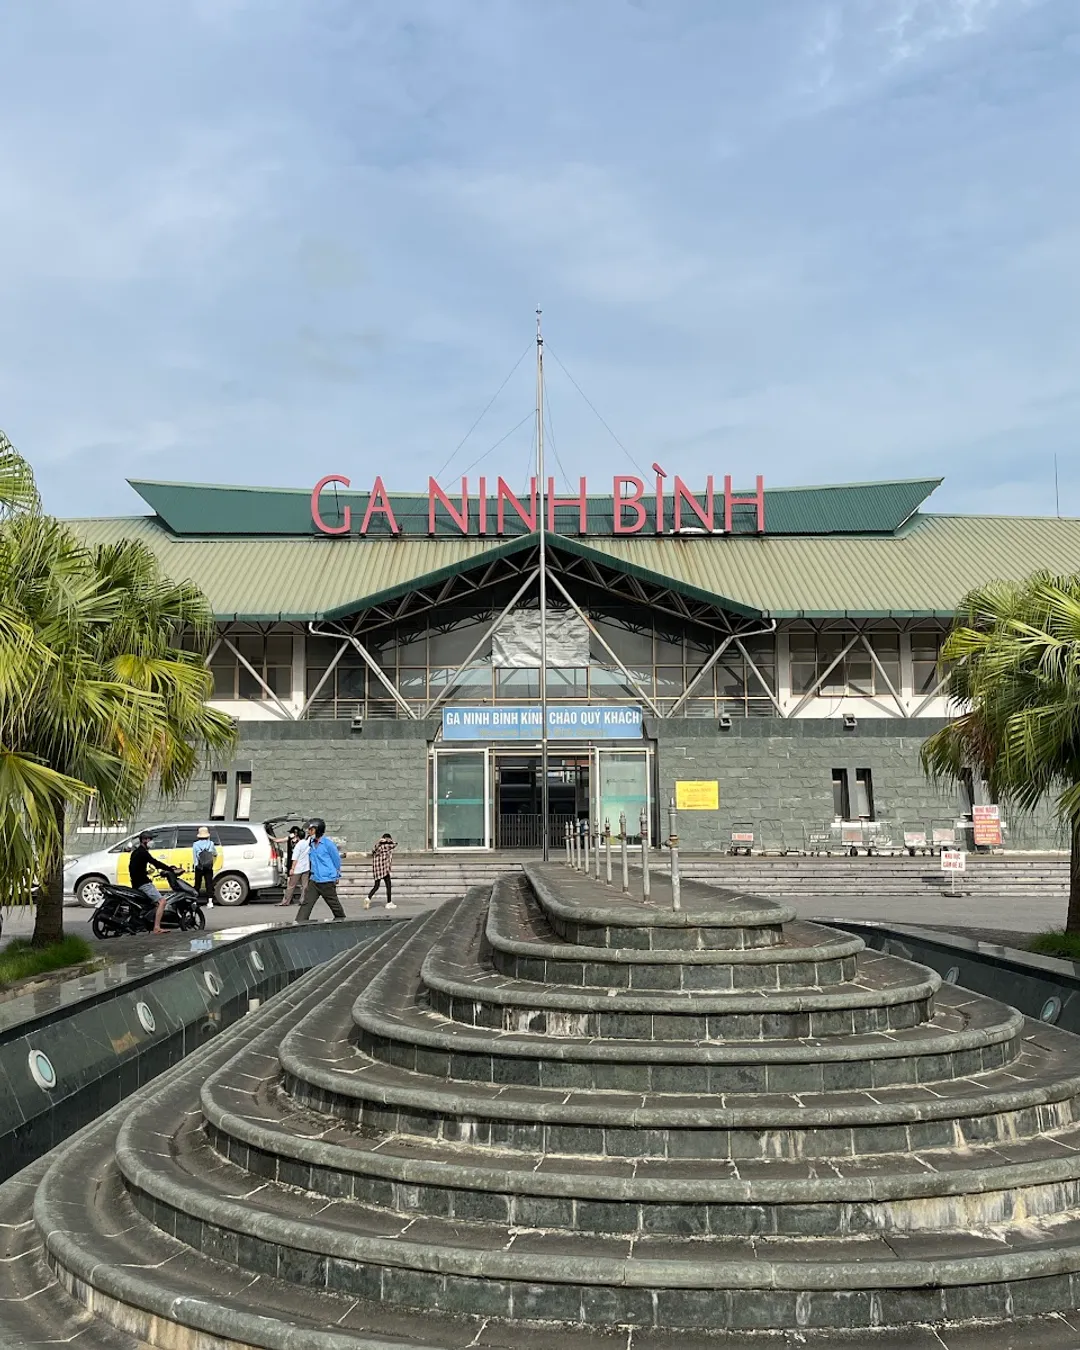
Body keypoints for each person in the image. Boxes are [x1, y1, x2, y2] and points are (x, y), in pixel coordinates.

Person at [294, 818, 346, 923]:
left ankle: (342, 922)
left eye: (311, 830)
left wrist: (337, 875)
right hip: (314, 880)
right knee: (306, 903)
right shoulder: (311, 843)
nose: (309, 832)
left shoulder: (328, 844)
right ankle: (299, 923)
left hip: (327, 880)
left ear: (318, 830)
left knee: (334, 905)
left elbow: (336, 860)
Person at [129, 830, 172, 935]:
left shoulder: (136, 852)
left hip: (136, 883)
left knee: (151, 903)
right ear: (144, 840)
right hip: (143, 884)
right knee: (162, 901)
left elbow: (134, 868)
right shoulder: (143, 853)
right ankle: (157, 927)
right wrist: (170, 869)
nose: (152, 842)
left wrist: (146, 873)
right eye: (150, 839)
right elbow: (155, 863)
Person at [278, 825, 309, 907]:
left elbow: (295, 859)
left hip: (297, 869)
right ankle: (303, 900)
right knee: (305, 886)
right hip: (306, 868)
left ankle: (286, 901)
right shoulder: (307, 843)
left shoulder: (298, 846)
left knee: (291, 886)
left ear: (297, 836)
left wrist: (292, 868)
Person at [366, 832, 396, 910]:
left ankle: (368, 898)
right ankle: (389, 902)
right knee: (388, 886)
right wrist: (388, 841)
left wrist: (380, 842)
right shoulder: (388, 846)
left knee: (376, 886)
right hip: (385, 869)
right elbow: (395, 844)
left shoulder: (377, 847)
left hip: (377, 870)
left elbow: (373, 851)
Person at [192, 827, 216, 903]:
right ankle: (210, 901)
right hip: (208, 866)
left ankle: (195, 901)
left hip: (199, 866)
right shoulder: (211, 843)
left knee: (197, 884)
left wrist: (196, 865)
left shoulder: (195, 844)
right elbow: (215, 853)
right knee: (209, 884)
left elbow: (195, 856)